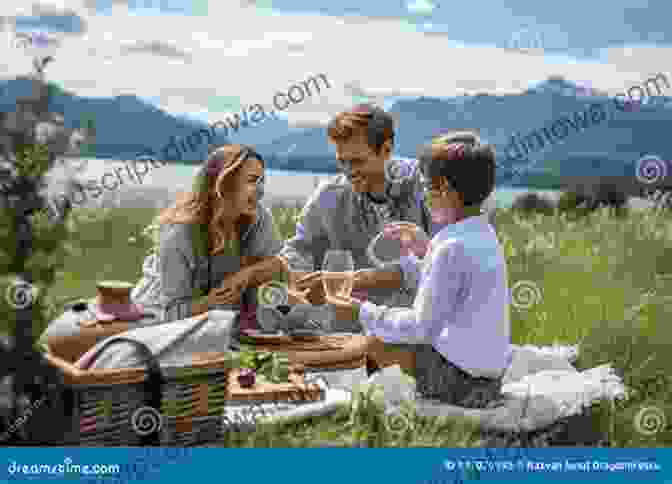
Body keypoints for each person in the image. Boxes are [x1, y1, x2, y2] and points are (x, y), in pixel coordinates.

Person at [40, 144, 295, 354]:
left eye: (262, 181)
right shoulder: (180, 233)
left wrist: (247, 275)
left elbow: (281, 264)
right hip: (157, 316)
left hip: (216, 326)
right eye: (252, 181)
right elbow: (172, 314)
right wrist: (210, 303)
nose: (261, 190)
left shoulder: (257, 217)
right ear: (223, 184)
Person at [325, 133, 512, 408]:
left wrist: (362, 312)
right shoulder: (483, 235)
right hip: (489, 379)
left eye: (427, 187)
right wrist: (425, 250)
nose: (424, 195)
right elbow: (453, 285)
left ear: (445, 188)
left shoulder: (450, 247)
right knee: (388, 335)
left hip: (460, 382)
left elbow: (420, 327)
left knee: (372, 344)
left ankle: (370, 406)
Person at [281, 104, 439, 337]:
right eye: (341, 161)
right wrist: (291, 277)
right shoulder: (329, 197)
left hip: (413, 334)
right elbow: (298, 251)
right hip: (348, 335)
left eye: (356, 162)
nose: (348, 171)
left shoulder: (426, 188)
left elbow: (441, 267)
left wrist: (353, 280)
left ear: (386, 149)